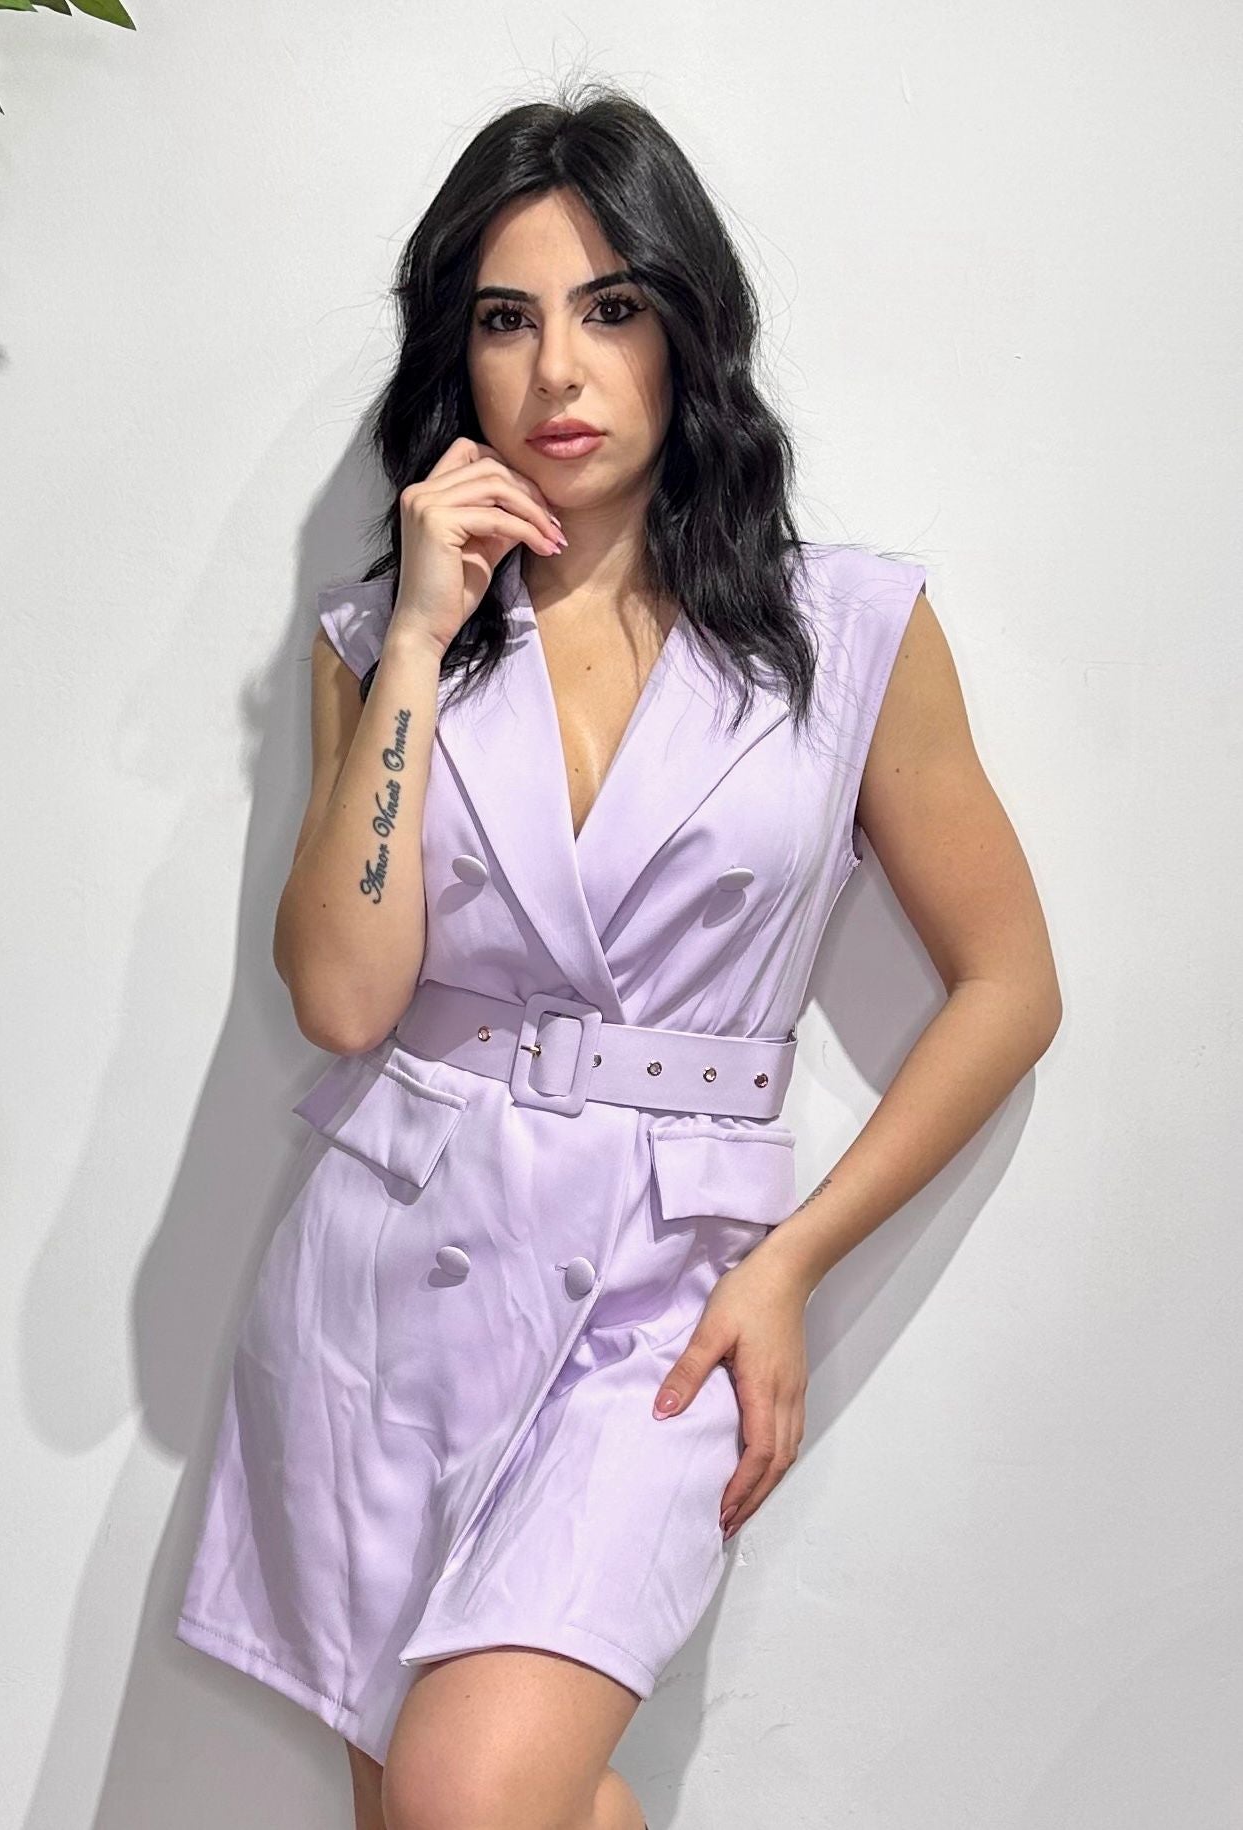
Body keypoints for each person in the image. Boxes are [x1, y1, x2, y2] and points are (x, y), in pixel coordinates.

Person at [174, 79, 1061, 1830]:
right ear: (456, 357)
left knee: (463, 1796)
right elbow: (342, 997)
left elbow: (1009, 983)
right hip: (391, 1284)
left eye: (610, 308)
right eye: (505, 320)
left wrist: (792, 1261)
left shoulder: (847, 631)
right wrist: (417, 637)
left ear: (685, 331)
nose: (557, 372)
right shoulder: (381, 641)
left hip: (666, 1291)